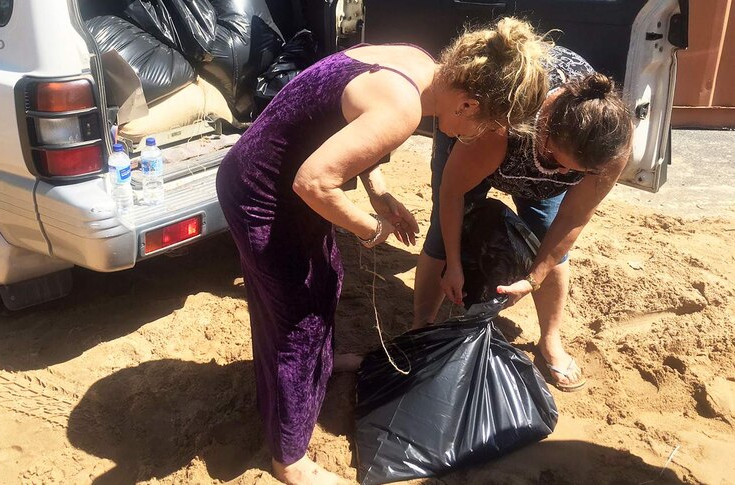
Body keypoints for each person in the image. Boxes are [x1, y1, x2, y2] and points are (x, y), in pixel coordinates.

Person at [216, 17, 553, 485]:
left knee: (326, 279)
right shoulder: (405, 109)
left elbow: (354, 125)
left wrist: (378, 193)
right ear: (468, 102)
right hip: (263, 190)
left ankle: (323, 362)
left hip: (277, 173)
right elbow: (313, 182)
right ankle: (288, 457)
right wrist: (370, 229)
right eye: (478, 128)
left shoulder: (418, 63)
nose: (470, 138)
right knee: (296, 317)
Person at [413, 46, 634, 394]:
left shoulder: (610, 146)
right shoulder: (498, 127)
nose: (562, 174)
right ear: (546, 132)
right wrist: (454, 264)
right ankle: (422, 329)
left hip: (537, 153)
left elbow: (575, 216)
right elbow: (451, 194)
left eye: (574, 173)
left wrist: (534, 278)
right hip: (491, 136)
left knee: (549, 241)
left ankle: (550, 340)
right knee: (442, 237)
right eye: (558, 162)